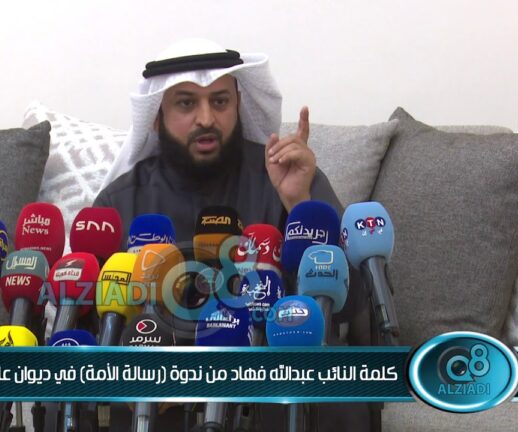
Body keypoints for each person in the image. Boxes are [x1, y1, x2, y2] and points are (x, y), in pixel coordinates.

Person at [93, 38, 373, 432]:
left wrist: (298, 202)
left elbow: (356, 308)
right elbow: (92, 331)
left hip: (271, 380)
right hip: (155, 389)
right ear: (156, 116)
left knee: (331, 396)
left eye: (220, 101)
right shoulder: (119, 203)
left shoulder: (286, 179)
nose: (206, 118)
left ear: (238, 104)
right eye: (186, 103)